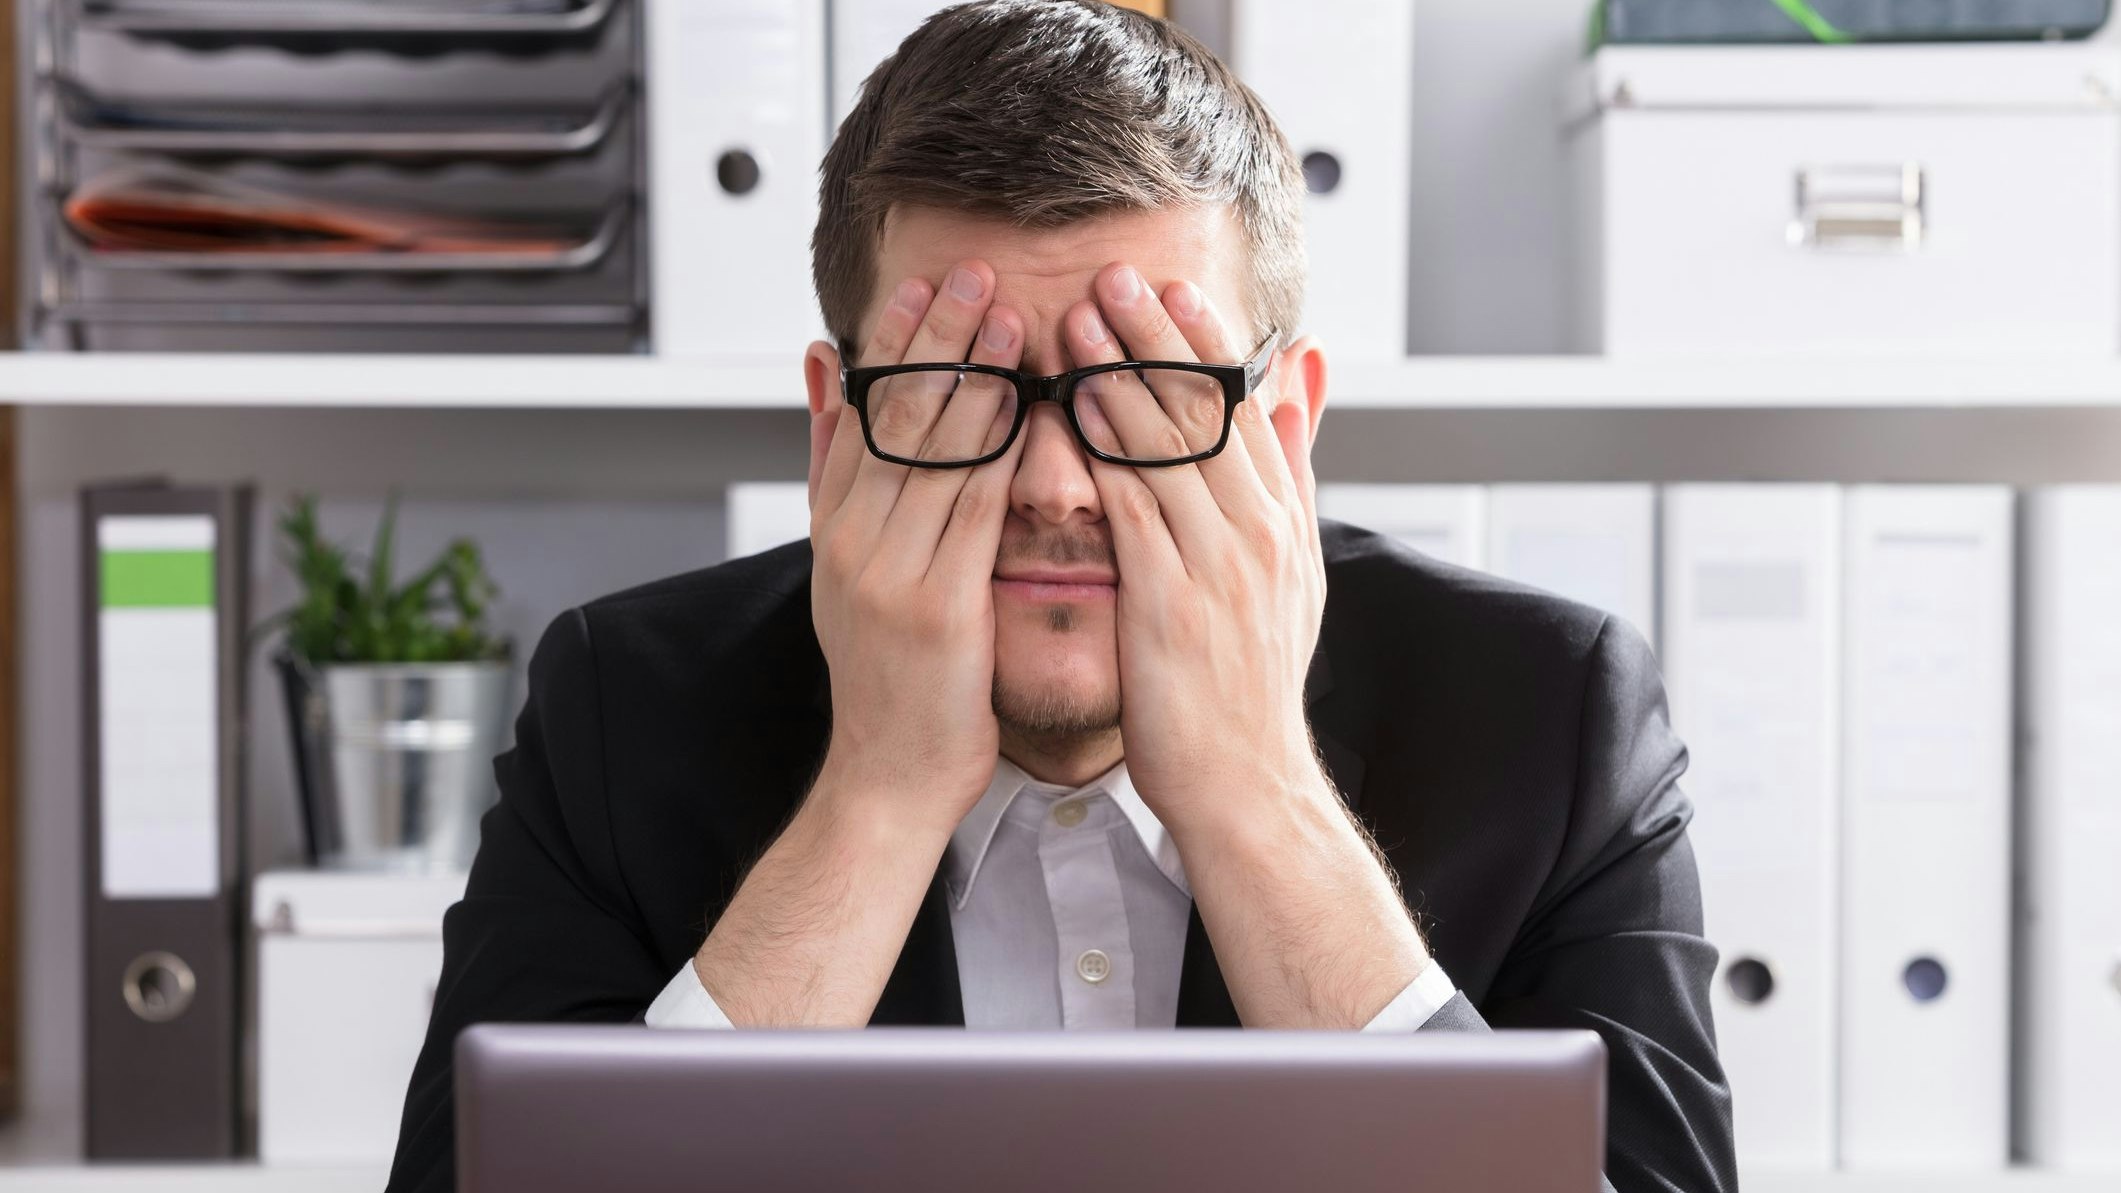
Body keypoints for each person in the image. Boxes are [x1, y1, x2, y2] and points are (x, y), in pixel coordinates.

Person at [386, 3, 1734, 1190]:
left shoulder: (1554, 716)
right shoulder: (617, 709)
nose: (1056, 483)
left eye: (1146, 389)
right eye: (958, 382)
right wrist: (876, 794)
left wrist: (1255, 792)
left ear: (1282, 433)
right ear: (832, 425)